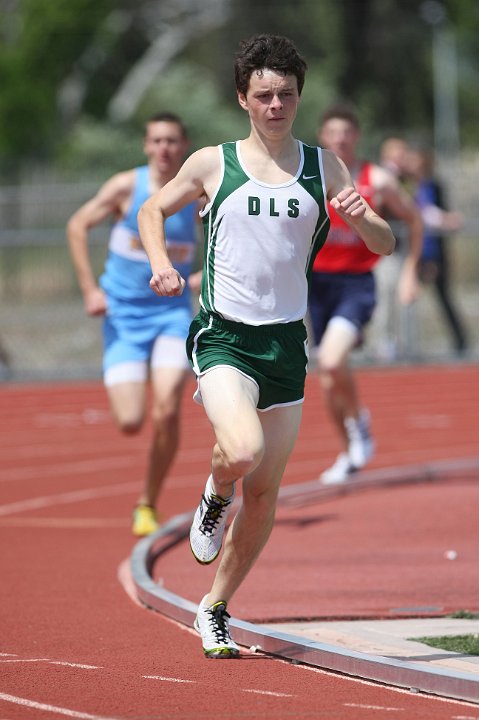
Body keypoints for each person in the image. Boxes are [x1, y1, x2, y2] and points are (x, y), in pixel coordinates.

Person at [138, 34, 395, 658]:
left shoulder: (323, 166)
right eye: (264, 96)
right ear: (243, 100)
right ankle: (214, 489)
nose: (276, 105)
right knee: (243, 449)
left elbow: (384, 244)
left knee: (265, 494)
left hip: (287, 344)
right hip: (225, 336)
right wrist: (159, 263)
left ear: (298, 98)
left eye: (286, 95)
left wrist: (362, 217)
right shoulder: (211, 163)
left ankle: (215, 606)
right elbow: (152, 210)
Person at [67, 112, 199, 537]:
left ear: (184, 147)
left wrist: (200, 278)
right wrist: (91, 289)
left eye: (172, 142)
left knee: (168, 409)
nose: (164, 149)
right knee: (130, 421)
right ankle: (140, 369)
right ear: (146, 146)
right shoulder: (127, 187)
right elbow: (77, 225)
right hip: (123, 318)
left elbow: (227, 241)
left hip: (170, 316)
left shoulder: (196, 194)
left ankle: (147, 503)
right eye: (157, 141)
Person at [309, 106, 423, 485]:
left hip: (357, 284)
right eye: (333, 132)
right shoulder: (312, 175)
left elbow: (415, 220)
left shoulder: (379, 179)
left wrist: (410, 273)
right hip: (317, 285)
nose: (340, 139)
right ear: (324, 137)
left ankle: (357, 422)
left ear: (356, 136)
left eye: (346, 132)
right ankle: (347, 448)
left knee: (330, 360)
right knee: (328, 378)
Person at [406, 145, 468, 355]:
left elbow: (432, 213)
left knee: (443, 296)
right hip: (414, 249)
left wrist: (444, 219)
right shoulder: (407, 185)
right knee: (407, 295)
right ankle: (403, 343)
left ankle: (460, 340)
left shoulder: (433, 185)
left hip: (433, 250)